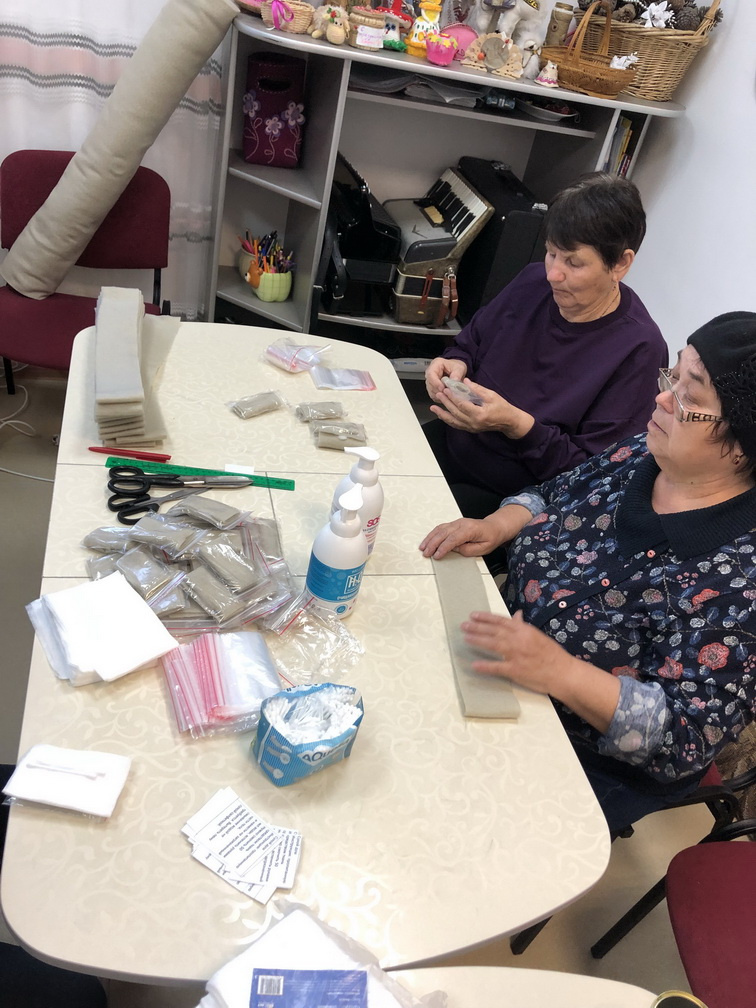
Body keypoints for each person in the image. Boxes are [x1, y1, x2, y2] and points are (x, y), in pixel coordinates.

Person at [420, 312, 756, 835]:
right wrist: (497, 525)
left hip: (587, 756)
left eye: (689, 396)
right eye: (673, 376)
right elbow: (555, 492)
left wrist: (558, 671)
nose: (662, 399)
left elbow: (683, 739)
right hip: (504, 662)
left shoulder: (740, 581)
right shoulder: (644, 454)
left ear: (741, 447)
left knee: (455, 827)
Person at [424, 171, 668, 521]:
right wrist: (454, 363)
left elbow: (593, 476)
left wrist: (517, 425)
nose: (553, 273)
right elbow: (469, 343)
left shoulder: (639, 349)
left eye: (573, 262)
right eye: (551, 253)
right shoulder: (533, 281)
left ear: (620, 264)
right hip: (454, 442)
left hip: (515, 497)